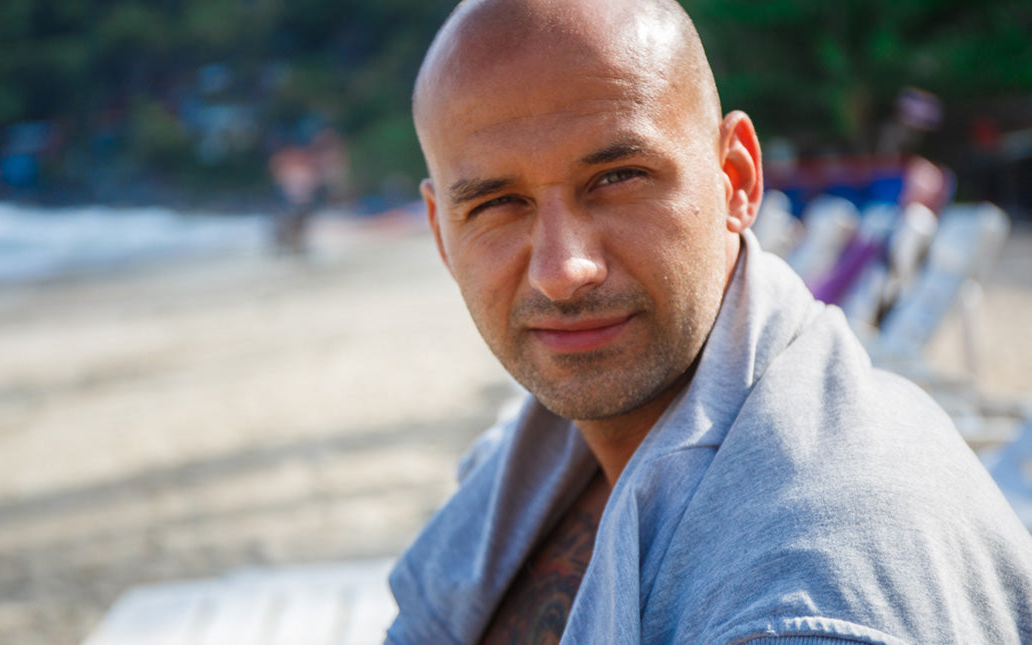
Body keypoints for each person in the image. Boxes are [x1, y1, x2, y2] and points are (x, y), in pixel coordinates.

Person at [386, 0, 1032, 642]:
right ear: (443, 231)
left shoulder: (813, 589)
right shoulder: (535, 464)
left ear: (736, 178)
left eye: (617, 176)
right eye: (499, 203)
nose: (563, 268)